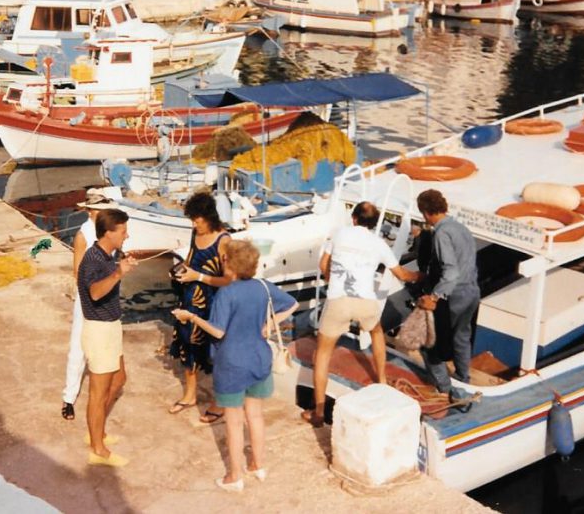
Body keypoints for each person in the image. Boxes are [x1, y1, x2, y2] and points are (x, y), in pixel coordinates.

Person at [172, 239, 296, 492]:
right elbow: (292, 304)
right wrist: (269, 326)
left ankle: (235, 476)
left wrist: (192, 316)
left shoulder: (227, 293)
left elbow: (218, 332)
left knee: (234, 421)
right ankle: (258, 465)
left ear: (228, 263)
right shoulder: (262, 286)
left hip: (232, 363)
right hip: (259, 359)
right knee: (256, 416)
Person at [301, 201, 418, 428]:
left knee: (323, 354)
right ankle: (382, 381)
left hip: (338, 302)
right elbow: (402, 275)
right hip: (365, 302)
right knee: (376, 332)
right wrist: (421, 277)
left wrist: (328, 277)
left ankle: (318, 413)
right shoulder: (379, 243)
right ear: (374, 224)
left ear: (353, 218)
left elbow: (323, 262)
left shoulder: (339, 234)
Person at [78, 208, 138, 467]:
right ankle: (97, 449)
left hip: (111, 326)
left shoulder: (107, 255)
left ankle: (97, 429)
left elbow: (109, 276)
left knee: (119, 380)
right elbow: (94, 293)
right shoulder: (93, 259)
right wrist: (118, 273)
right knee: (98, 392)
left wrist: (120, 266)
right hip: (99, 330)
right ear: (109, 233)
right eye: (123, 231)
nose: (127, 235)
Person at [169, 191, 231, 424]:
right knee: (187, 346)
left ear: (209, 217)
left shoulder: (224, 241)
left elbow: (229, 280)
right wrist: (180, 271)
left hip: (213, 304)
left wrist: (199, 277)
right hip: (190, 300)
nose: (195, 224)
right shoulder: (195, 233)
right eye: (192, 220)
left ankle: (220, 402)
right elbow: (191, 261)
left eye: (198, 220)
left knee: (215, 354)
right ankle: (190, 395)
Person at [414, 189, 479, 404]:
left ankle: (444, 388)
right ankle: (463, 377)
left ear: (426, 212)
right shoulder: (461, 228)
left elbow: (450, 271)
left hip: (453, 294)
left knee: (429, 342)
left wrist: (434, 296)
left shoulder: (441, 233)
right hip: (472, 291)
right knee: (461, 335)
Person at [61, 190, 113, 422]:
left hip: (106, 293)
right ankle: (69, 398)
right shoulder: (83, 235)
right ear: (91, 212)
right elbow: (77, 270)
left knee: (103, 346)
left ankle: (101, 392)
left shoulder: (106, 232)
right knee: (78, 347)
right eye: (101, 210)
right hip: (88, 296)